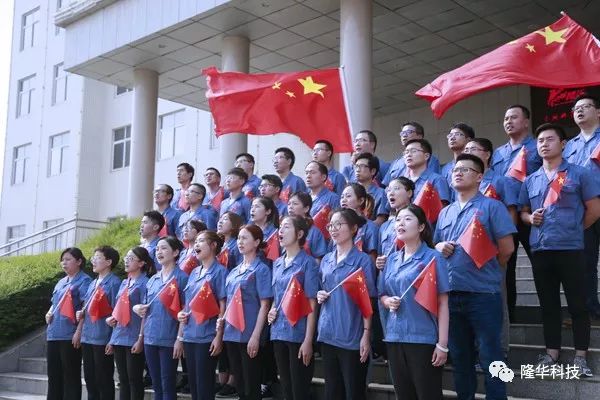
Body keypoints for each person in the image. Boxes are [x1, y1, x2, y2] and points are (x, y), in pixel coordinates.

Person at [519, 123, 600, 375]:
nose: (544, 144)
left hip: (571, 249)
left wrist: (574, 229)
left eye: (550, 139)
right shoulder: (530, 179)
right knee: (548, 305)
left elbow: (594, 209)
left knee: (578, 304)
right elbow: (523, 211)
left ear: (563, 144)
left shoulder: (578, 173)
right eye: (540, 140)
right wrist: (530, 219)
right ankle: (551, 353)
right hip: (541, 249)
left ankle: (580, 357)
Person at [434, 153, 516, 400]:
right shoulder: (445, 212)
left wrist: (486, 272)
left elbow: (507, 249)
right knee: (460, 358)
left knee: (492, 356)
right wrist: (439, 246)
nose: (458, 173)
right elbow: (435, 244)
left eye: (465, 169)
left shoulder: (492, 207)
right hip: (452, 294)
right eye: (455, 169)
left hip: (483, 294)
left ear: (479, 177)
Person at [379, 205, 450, 400]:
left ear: (421, 227)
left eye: (407, 219)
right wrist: (387, 301)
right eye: (398, 220)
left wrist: (442, 344)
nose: (400, 223)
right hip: (394, 337)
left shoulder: (433, 258)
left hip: (423, 339)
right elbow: (382, 294)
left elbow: (443, 303)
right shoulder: (391, 260)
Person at [316, 209, 376, 400]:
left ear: (353, 228)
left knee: (353, 391)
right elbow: (321, 288)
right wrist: (320, 294)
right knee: (332, 391)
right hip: (328, 332)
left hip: (351, 334)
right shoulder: (326, 259)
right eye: (331, 225)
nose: (333, 229)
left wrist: (366, 334)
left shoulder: (362, 260)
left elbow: (367, 301)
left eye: (339, 224)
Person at [491, 105, 542, 320]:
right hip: (505, 216)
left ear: (526, 122)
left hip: (530, 214)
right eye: (506, 118)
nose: (508, 122)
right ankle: (509, 315)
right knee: (506, 269)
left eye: (513, 117)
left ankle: (548, 312)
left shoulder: (537, 146)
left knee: (540, 265)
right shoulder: (498, 153)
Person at [268, 216, 319, 400]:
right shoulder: (277, 263)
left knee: (299, 389)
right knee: (286, 388)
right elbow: (277, 296)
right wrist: (272, 310)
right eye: (280, 227)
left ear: (299, 234)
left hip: (298, 333)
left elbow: (312, 303)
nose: (280, 231)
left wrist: (308, 340)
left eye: (286, 227)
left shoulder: (308, 263)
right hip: (278, 331)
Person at [221, 225, 273, 400]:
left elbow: (265, 305)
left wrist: (256, 336)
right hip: (231, 332)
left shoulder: (261, 269)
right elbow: (230, 301)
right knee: (241, 386)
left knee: (252, 386)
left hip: (250, 333)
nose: (240, 242)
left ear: (256, 242)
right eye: (239, 238)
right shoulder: (234, 271)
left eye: (245, 238)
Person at [133, 236, 189, 400]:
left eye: (164, 248)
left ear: (175, 252)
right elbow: (145, 311)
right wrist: (138, 310)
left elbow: (185, 311)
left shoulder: (182, 278)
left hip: (169, 338)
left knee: (167, 384)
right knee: (156, 384)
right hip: (150, 337)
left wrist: (179, 339)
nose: (159, 252)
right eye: (157, 249)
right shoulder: (153, 280)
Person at [177, 232, 227, 400]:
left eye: (201, 241)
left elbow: (223, 305)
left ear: (213, 245)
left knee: (204, 386)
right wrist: (182, 317)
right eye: (196, 242)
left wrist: (218, 336)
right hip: (190, 334)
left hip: (207, 335)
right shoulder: (194, 272)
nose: (196, 245)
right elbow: (187, 304)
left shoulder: (220, 272)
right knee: (194, 387)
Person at [564, 94, 600, 318]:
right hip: (583, 208)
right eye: (576, 108)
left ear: (598, 112)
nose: (579, 110)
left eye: (585, 106)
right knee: (586, 261)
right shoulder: (569, 147)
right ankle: (590, 308)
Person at [107, 247, 154, 400]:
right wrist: (112, 332)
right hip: (119, 335)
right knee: (123, 380)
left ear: (141, 263)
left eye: (131, 258)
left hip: (134, 336)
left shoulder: (145, 283)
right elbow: (118, 310)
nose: (127, 261)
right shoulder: (124, 283)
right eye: (126, 258)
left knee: (134, 379)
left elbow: (146, 314)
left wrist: (140, 339)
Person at [46, 248, 92, 400]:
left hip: (70, 334)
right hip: (54, 332)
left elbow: (86, 308)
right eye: (62, 260)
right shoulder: (61, 282)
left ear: (79, 261)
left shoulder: (85, 281)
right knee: (54, 375)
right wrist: (49, 312)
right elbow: (54, 303)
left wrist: (79, 331)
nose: (64, 263)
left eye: (68, 259)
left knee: (70, 375)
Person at [77, 246, 122, 400]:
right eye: (93, 257)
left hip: (103, 337)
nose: (93, 261)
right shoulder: (93, 283)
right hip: (88, 336)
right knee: (90, 378)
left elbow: (118, 313)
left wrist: (113, 339)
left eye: (97, 258)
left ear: (109, 262)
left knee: (103, 379)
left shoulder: (115, 283)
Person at [403, 139, 451, 225]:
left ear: (426, 156)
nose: (408, 154)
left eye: (413, 151)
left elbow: (442, 210)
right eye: (406, 152)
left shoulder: (437, 180)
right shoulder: (401, 182)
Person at [382, 122, 441, 186]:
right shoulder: (395, 163)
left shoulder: (430, 159)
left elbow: (432, 183)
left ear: (420, 136)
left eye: (408, 132)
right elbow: (386, 184)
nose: (404, 135)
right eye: (402, 133)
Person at [377, 177, 414, 268]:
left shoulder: (418, 220)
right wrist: (379, 263)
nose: (391, 193)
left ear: (409, 193)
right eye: (389, 190)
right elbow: (380, 254)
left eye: (396, 188)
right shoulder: (384, 226)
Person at [339, 183, 379, 264]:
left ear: (361, 201)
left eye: (348, 196)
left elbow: (372, 259)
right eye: (342, 197)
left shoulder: (370, 227)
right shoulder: (338, 226)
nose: (343, 200)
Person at [287, 191, 328, 262]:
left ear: (306, 208)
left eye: (295, 204)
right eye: (289, 204)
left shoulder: (314, 232)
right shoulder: (283, 229)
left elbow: (320, 259)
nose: (290, 206)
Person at [306, 161, 340, 240]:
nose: (308, 176)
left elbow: (337, 223)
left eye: (312, 172)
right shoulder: (303, 197)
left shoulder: (333, 198)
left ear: (323, 177)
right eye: (306, 173)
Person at [441, 123, 475, 201]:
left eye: (457, 134)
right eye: (450, 135)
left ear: (469, 140)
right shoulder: (445, 169)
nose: (452, 138)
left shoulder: (476, 166)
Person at [354, 153, 389, 225]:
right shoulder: (350, 191)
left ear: (373, 171)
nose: (357, 170)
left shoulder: (381, 193)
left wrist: (361, 228)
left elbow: (380, 220)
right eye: (356, 166)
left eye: (362, 166)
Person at [250, 196, 280, 267]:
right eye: (252, 207)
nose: (252, 210)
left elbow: (274, 261)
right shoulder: (248, 231)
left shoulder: (274, 234)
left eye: (257, 207)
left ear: (268, 211)